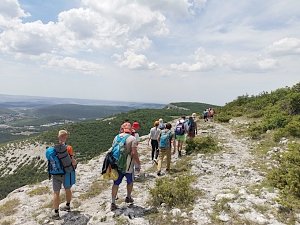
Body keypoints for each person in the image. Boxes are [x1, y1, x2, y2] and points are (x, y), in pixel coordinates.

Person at [111, 122, 141, 211]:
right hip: (128, 165)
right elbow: (134, 153)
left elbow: (113, 149)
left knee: (116, 183)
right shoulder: (132, 138)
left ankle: (113, 202)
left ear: (122, 129)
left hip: (116, 164)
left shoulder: (116, 137)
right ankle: (128, 197)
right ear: (130, 129)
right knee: (130, 181)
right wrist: (138, 164)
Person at [51, 130, 77, 219]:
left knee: (56, 193)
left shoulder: (53, 149)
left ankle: (55, 213)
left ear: (58, 137)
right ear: (66, 137)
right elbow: (73, 162)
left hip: (56, 174)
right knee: (67, 189)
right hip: (66, 173)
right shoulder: (68, 148)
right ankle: (67, 205)